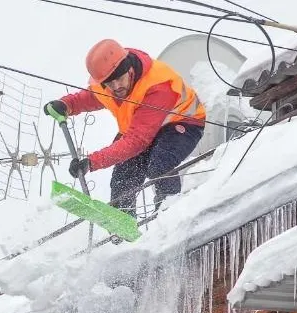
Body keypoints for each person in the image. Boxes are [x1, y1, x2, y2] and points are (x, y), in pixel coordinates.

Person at [44, 38, 207, 215]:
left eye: (119, 79)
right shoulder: (107, 85)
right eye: (109, 83)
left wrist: (92, 162)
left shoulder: (158, 85)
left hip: (183, 124)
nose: (116, 87)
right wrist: (66, 105)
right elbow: (88, 98)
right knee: (123, 177)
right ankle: (123, 232)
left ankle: (171, 215)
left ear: (129, 68)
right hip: (142, 128)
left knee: (160, 164)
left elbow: (137, 141)